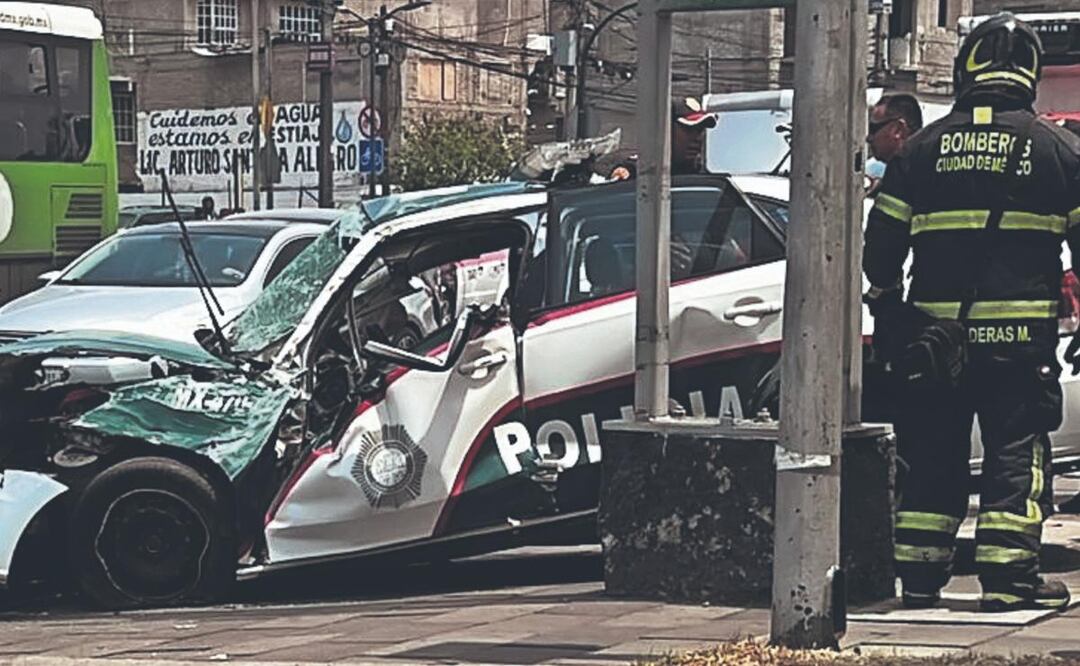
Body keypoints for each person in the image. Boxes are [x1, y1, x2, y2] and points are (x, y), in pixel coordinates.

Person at [863, 13, 1080, 612]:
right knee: (1016, 450)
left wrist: (889, 305)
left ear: (966, 69)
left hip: (935, 342)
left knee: (933, 450)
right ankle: (1010, 582)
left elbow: (879, 250)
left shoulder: (920, 150)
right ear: (1030, 74)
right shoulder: (1059, 150)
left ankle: (921, 579)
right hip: (1020, 344)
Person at [601, 97, 718, 179]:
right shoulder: (644, 173)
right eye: (689, 129)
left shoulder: (705, 182)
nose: (697, 138)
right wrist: (623, 171)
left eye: (700, 129)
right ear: (665, 130)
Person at [866, 94, 924, 193]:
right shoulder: (907, 169)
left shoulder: (916, 175)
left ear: (898, 130)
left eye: (874, 128)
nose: (869, 138)